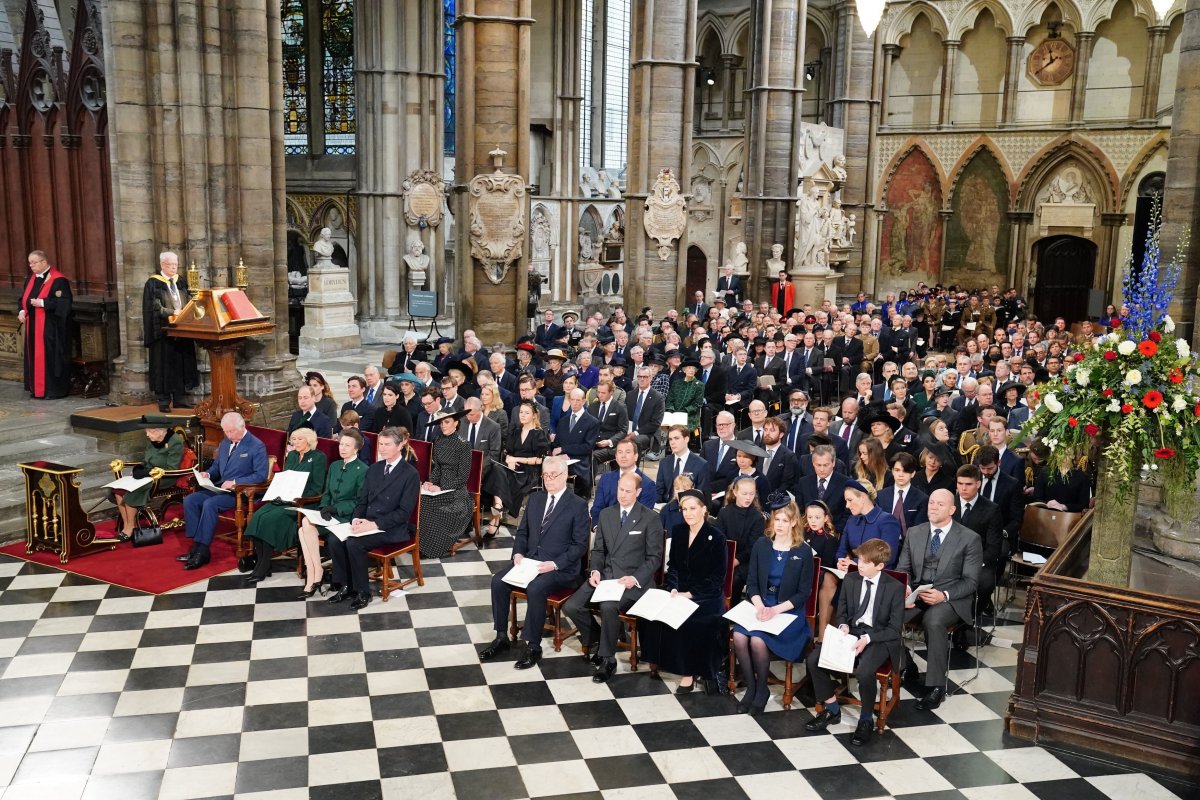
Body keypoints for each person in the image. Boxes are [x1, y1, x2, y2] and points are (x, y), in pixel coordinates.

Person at [480, 456, 590, 669]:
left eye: (553, 475)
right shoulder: (535, 500)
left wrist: (554, 564)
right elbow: (522, 533)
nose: (548, 479)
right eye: (545, 475)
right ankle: (501, 636)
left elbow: (579, 546)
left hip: (561, 568)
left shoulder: (577, 505)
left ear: (565, 475)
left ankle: (533, 645)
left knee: (536, 587)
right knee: (498, 581)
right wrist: (518, 554)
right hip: (530, 563)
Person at [564, 472, 665, 683]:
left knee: (608, 606)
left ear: (638, 492)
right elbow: (599, 550)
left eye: (628, 491)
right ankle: (599, 638)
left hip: (634, 582)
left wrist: (634, 578)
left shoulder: (650, 518)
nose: (623, 495)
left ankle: (607, 659)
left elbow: (654, 558)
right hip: (607, 577)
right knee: (571, 606)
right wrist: (595, 571)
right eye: (621, 490)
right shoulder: (607, 514)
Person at [804, 537, 906, 746]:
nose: (859, 565)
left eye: (865, 562)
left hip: (879, 637)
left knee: (864, 671)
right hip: (853, 632)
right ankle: (832, 709)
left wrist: (867, 639)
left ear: (879, 566)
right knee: (814, 659)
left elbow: (894, 630)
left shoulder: (894, 588)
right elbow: (842, 612)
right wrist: (843, 626)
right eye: (858, 560)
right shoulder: (851, 580)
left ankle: (866, 718)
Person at [897, 488, 983, 710]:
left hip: (951, 598)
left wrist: (943, 595)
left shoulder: (969, 539)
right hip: (918, 594)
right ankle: (906, 665)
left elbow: (971, 582)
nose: (933, 507)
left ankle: (936, 686)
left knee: (933, 622)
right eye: (931, 502)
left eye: (940, 504)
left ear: (952, 509)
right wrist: (906, 586)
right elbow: (903, 569)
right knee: (888, 613)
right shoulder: (914, 532)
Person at [731, 495, 815, 714]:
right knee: (739, 637)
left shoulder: (803, 551)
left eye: (785, 520)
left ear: (794, 522)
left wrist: (774, 610)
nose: (779, 525)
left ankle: (762, 690)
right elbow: (752, 584)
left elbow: (803, 593)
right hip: (760, 605)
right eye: (777, 519)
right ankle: (751, 687)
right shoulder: (762, 544)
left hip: (787, 611)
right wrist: (760, 607)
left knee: (757, 640)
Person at [641, 489, 729, 694]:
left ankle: (687, 673)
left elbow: (717, 578)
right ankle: (660, 661)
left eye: (692, 508)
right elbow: (673, 566)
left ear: (704, 510)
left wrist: (689, 594)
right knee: (652, 615)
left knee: (689, 621)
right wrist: (673, 587)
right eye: (684, 509)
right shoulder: (679, 531)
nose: (688, 513)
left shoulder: (716, 537)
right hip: (679, 591)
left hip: (706, 596)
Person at [326, 427, 421, 611]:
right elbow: (363, 501)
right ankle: (345, 586)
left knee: (354, 544)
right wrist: (356, 519)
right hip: (368, 522)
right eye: (380, 444)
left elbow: (403, 513)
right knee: (335, 539)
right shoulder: (375, 469)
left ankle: (363, 592)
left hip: (392, 528)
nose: (382, 448)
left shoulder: (410, 474)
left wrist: (373, 524)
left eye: (387, 445)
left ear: (400, 445)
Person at [182, 412, 269, 570]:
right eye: (225, 431)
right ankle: (196, 546)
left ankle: (202, 551)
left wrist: (235, 482)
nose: (228, 435)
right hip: (221, 488)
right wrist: (208, 473)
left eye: (231, 431)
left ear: (242, 427)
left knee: (210, 504)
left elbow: (261, 475)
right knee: (191, 500)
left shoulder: (256, 445)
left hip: (241, 493)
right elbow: (217, 466)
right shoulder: (225, 443)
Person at [242, 426, 328, 585]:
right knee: (259, 516)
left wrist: (297, 497)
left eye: (299, 439)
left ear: (309, 440)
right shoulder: (292, 456)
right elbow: (286, 478)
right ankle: (263, 563)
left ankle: (263, 566)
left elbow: (317, 487)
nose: (295, 442)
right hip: (284, 498)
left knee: (271, 519)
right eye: (293, 439)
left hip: (304, 502)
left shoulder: (318, 457)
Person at [297, 429, 369, 598]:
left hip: (345, 517)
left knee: (304, 528)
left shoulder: (363, 469)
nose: (342, 448)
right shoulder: (335, 466)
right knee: (305, 525)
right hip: (329, 514)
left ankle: (314, 577)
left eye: (347, 445)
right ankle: (316, 572)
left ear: (356, 448)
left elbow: (359, 501)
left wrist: (336, 509)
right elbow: (327, 492)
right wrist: (324, 507)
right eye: (341, 444)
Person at [142, 251, 198, 412]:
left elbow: (189, 300)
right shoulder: (153, 284)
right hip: (163, 333)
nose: (174, 267)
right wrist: (171, 312)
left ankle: (180, 398)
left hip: (182, 330)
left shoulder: (180, 281)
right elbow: (154, 307)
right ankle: (164, 401)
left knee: (181, 364)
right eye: (171, 265)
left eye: (176, 264)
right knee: (163, 367)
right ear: (162, 265)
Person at [112, 418, 185, 537]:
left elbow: (172, 468)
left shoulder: (175, 441)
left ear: (159, 431)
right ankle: (128, 525)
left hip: (164, 476)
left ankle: (130, 529)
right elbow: (146, 460)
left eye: (149, 431)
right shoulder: (153, 439)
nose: (147, 434)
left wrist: (149, 473)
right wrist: (140, 469)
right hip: (149, 474)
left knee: (132, 491)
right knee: (118, 490)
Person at [418, 409, 476, 558]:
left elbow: (463, 477)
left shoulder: (464, 445)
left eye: (447, 422)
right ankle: (422, 544)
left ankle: (433, 547)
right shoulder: (438, 441)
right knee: (421, 500)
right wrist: (430, 482)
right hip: (439, 487)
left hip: (457, 492)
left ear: (456, 423)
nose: (443, 426)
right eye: (441, 423)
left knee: (430, 505)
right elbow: (437, 468)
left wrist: (442, 487)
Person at [18, 250, 73, 399]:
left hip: (51, 328)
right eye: (30, 263)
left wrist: (42, 303)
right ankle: (36, 388)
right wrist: (22, 311)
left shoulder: (58, 280)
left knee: (49, 358)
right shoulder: (31, 279)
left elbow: (65, 303)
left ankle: (52, 390)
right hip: (33, 326)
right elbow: (23, 298)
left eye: (34, 262)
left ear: (44, 262)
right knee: (34, 356)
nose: (31, 266)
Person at [489, 400, 551, 519]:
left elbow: (540, 460)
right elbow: (508, 452)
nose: (522, 415)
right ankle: (498, 505)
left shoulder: (539, 434)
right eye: (521, 412)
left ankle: (496, 515)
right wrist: (509, 460)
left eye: (526, 413)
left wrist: (515, 459)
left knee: (501, 477)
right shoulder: (516, 431)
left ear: (534, 415)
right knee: (496, 468)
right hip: (513, 467)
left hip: (529, 471)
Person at [716, 476, 766, 603]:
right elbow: (719, 540)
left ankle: (731, 609)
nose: (748, 497)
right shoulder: (724, 512)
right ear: (735, 492)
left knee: (735, 579)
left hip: (746, 561)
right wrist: (725, 560)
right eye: (744, 493)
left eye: (751, 494)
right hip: (724, 557)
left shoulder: (758, 517)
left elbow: (752, 548)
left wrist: (735, 561)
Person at [836, 479, 902, 570]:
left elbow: (888, 557)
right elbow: (841, 551)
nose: (847, 505)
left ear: (863, 498)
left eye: (850, 500)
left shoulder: (887, 521)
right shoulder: (851, 521)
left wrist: (855, 564)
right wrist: (841, 562)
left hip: (879, 576)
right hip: (851, 574)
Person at [590, 437, 656, 523]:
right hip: (604, 529)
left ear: (636, 456)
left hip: (631, 533)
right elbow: (597, 508)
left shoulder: (647, 484)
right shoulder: (605, 479)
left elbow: (642, 518)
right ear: (616, 457)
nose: (623, 456)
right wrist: (598, 528)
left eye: (627, 452)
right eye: (620, 452)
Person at [803, 500, 841, 638]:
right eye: (810, 517)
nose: (813, 521)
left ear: (825, 518)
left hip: (817, 574)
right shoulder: (802, 534)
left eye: (817, 518)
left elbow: (828, 564)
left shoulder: (829, 539)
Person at [553, 389, 599, 495]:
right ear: (569, 400)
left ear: (583, 401)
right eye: (572, 400)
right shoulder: (563, 421)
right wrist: (560, 454)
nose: (574, 403)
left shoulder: (592, 422)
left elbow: (587, 447)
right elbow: (556, 444)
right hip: (561, 460)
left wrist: (564, 450)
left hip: (579, 462)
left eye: (578, 400)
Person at [655, 424, 710, 501]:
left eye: (676, 438)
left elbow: (703, 496)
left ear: (686, 439)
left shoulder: (701, 464)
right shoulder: (664, 462)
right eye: (670, 439)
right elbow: (659, 491)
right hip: (665, 507)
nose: (672, 442)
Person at [665, 357, 705, 429]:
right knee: (664, 423)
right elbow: (670, 400)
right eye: (689, 368)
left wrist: (684, 411)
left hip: (689, 414)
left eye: (693, 369)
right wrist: (671, 410)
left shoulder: (699, 385)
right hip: (673, 412)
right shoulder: (676, 383)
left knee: (682, 427)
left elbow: (697, 404)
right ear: (684, 370)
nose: (691, 370)